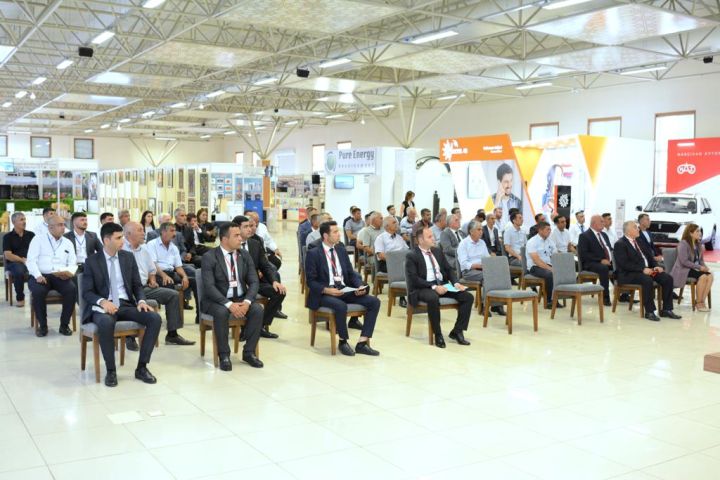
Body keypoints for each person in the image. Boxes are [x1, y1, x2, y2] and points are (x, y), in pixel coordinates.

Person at [82, 222, 162, 387]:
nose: (123, 241)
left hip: (125, 304)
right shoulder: (92, 261)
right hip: (103, 307)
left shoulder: (127, 257)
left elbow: (137, 285)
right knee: (106, 322)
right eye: (118, 238)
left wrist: (141, 301)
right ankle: (111, 371)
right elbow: (87, 292)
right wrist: (103, 302)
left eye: (123, 237)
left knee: (154, 318)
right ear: (106, 240)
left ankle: (142, 367)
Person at [305, 221, 380, 356]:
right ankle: (343, 341)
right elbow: (310, 281)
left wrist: (359, 285)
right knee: (340, 306)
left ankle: (362, 343)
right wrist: (327, 290)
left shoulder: (340, 249)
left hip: (343, 289)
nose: (339, 234)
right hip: (324, 293)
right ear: (325, 236)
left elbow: (351, 273)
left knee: (374, 302)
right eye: (335, 232)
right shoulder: (314, 253)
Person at [200, 222, 264, 371]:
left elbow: (254, 281)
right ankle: (224, 355)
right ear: (224, 239)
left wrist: (247, 302)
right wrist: (229, 304)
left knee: (257, 309)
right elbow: (209, 287)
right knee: (222, 312)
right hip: (216, 300)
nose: (240, 238)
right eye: (236, 236)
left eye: (240, 235)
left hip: (240, 298)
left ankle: (249, 352)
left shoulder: (244, 255)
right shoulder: (210, 257)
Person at [123, 222, 194, 348]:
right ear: (129, 234)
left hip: (144, 287)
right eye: (140, 230)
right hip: (126, 290)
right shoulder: (121, 249)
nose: (143, 233)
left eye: (143, 230)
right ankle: (129, 336)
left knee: (173, 295)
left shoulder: (144, 249)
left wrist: (152, 280)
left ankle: (172, 335)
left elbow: (152, 269)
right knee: (128, 298)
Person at [406, 224, 473, 348]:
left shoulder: (437, 251)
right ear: (420, 240)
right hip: (423, 288)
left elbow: (448, 269)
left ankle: (457, 331)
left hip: (442, 285)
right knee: (433, 298)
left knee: (467, 297)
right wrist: (434, 287)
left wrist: (456, 283)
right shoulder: (412, 255)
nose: (433, 238)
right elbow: (414, 279)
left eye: (432, 236)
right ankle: (438, 334)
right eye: (429, 237)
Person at [614, 221, 680, 322]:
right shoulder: (620, 244)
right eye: (635, 227)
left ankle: (667, 309)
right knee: (647, 280)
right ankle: (649, 311)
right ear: (628, 231)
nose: (638, 229)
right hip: (629, 274)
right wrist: (642, 269)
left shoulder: (639, 241)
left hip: (647, 271)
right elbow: (624, 264)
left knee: (667, 278)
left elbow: (650, 257)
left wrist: (656, 266)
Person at [235, 216, 287, 338]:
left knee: (279, 292)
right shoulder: (232, 245)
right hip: (238, 284)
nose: (250, 229)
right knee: (245, 296)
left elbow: (265, 265)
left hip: (255, 283)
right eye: (246, 227)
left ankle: (261, 326)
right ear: (237, 229)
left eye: (250, 226)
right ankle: (245, 328)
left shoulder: (255, 244)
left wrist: (274, 281)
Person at [26, 216, 77, 337]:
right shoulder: (38, 239)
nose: (63, 227)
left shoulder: (68, 242)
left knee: (71, 289)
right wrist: (38, 275)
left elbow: (72, 262)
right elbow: (31, 261)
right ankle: (43, 326)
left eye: (64, 224)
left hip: (60, 275)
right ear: (50, 227)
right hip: (41, 275)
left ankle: (64, 325)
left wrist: (68, 273)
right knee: (38, 291)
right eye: (60, 225)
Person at [146, 222, 197, 314]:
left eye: (175, 231)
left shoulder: (174, 247)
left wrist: (184, 276)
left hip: (171, 273)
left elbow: (178, 267)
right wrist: (164, 275)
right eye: (172, 231)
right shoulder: (152, 244)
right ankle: (173, 318)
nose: (175, 234)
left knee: (194, 281)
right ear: (163, 232)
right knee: (170, 284)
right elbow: (152, 265)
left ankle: (199, 315)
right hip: (157, 274)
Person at [671, 223, 714, 312]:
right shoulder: (683, 243)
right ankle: (698, 303)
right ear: (690, 233)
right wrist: (699, 267)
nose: (700, 233)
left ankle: (701, 301)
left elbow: (701, 260)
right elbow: (684, 261)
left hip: (694, 268)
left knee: (710, 276)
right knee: (703, 277)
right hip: (684, 269)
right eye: (697, 231)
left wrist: (705, 267)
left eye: (700, 231)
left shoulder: (698, 244)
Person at [577, 215, 614, 306]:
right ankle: (605, 297)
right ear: (594, 223)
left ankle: (623, 293)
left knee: (621, 265)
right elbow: (584, 254)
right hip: (591, 263)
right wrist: (600, 260)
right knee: (603, 268)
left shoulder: (604, 235)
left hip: (607, 261)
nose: (603, 223)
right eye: (601, 221)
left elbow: (609, 249)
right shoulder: (584, 236)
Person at [374, 215, 409, 307]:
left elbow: (407, 251)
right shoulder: (380, 238)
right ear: (387, 226)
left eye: (396, 222)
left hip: (401, 263)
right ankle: (402, 297)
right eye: (394, 222)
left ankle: (415, 296)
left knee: (412, 268)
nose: (397, 224)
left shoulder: (399, 238)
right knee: (402, 269)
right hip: (386, 264)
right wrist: (395, 260)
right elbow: (381, 255)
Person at [3, 212, 35, 307]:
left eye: (24, 219)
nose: (24, 222)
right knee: (19, 270)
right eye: (21, 220)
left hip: (30, 261)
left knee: (42, 268)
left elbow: (37, 250)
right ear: (14, 222)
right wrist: (22, 260)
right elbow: (8, 255)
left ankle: (38, 296)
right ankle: (20, 298)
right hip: (14, 263)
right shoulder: (7, 237)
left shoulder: (31, 235)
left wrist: (29, 260)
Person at [526, 221, 560, 309]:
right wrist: (550, 268)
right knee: (549, 274)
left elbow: (555, 255)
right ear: (540, 230)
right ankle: (549, 301)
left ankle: (556, 298)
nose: (550, 231)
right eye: (547, 229)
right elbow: (536, 260)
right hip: (535, 267)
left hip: (548, 265)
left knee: (561, 272)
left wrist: (557, 267)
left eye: (550, 229)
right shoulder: (532, 242)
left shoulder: (550, 241)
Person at [491, 163, 522, 227]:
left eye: (511, 180)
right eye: (506, 182)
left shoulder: (517, 202)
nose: (509, 185)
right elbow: (489, 221)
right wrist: (497, 201)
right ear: (499, 182)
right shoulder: (491, 200)